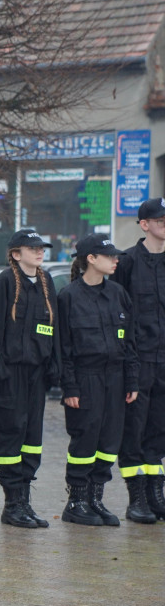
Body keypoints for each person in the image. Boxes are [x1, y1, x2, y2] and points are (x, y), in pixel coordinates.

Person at [0, 229, 60, 529]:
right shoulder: (4, 283)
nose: (40, 252)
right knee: (10, 434)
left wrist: (54, 367)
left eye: (42, 248)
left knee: (31, 439)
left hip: (35, 375)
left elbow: (55, 327)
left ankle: (24, 500)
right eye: (32, 248)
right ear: (16, 254)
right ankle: (12, 503)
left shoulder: (45, 282)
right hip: (8, 375)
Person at [57, 234, 139, 526]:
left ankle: (95, 499)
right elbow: (63, 348)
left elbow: (129, 341)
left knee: (109, 441)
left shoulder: (118, 294)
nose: (116, 260)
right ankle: (76, 501)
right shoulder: (69, 297)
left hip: (115, 379)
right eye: (109, 256)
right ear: (91, 259)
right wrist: (70, 386)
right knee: (85, 439)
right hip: (86, 378)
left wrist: (131, 381)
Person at [110, 197, 165, 522]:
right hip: (138, 362)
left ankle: (156, 494)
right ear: (144, 225)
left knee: (159, 430)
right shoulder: (128, 262)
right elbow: (116, 315)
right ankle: (136, 499)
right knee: (134, 430)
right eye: (160, 220)